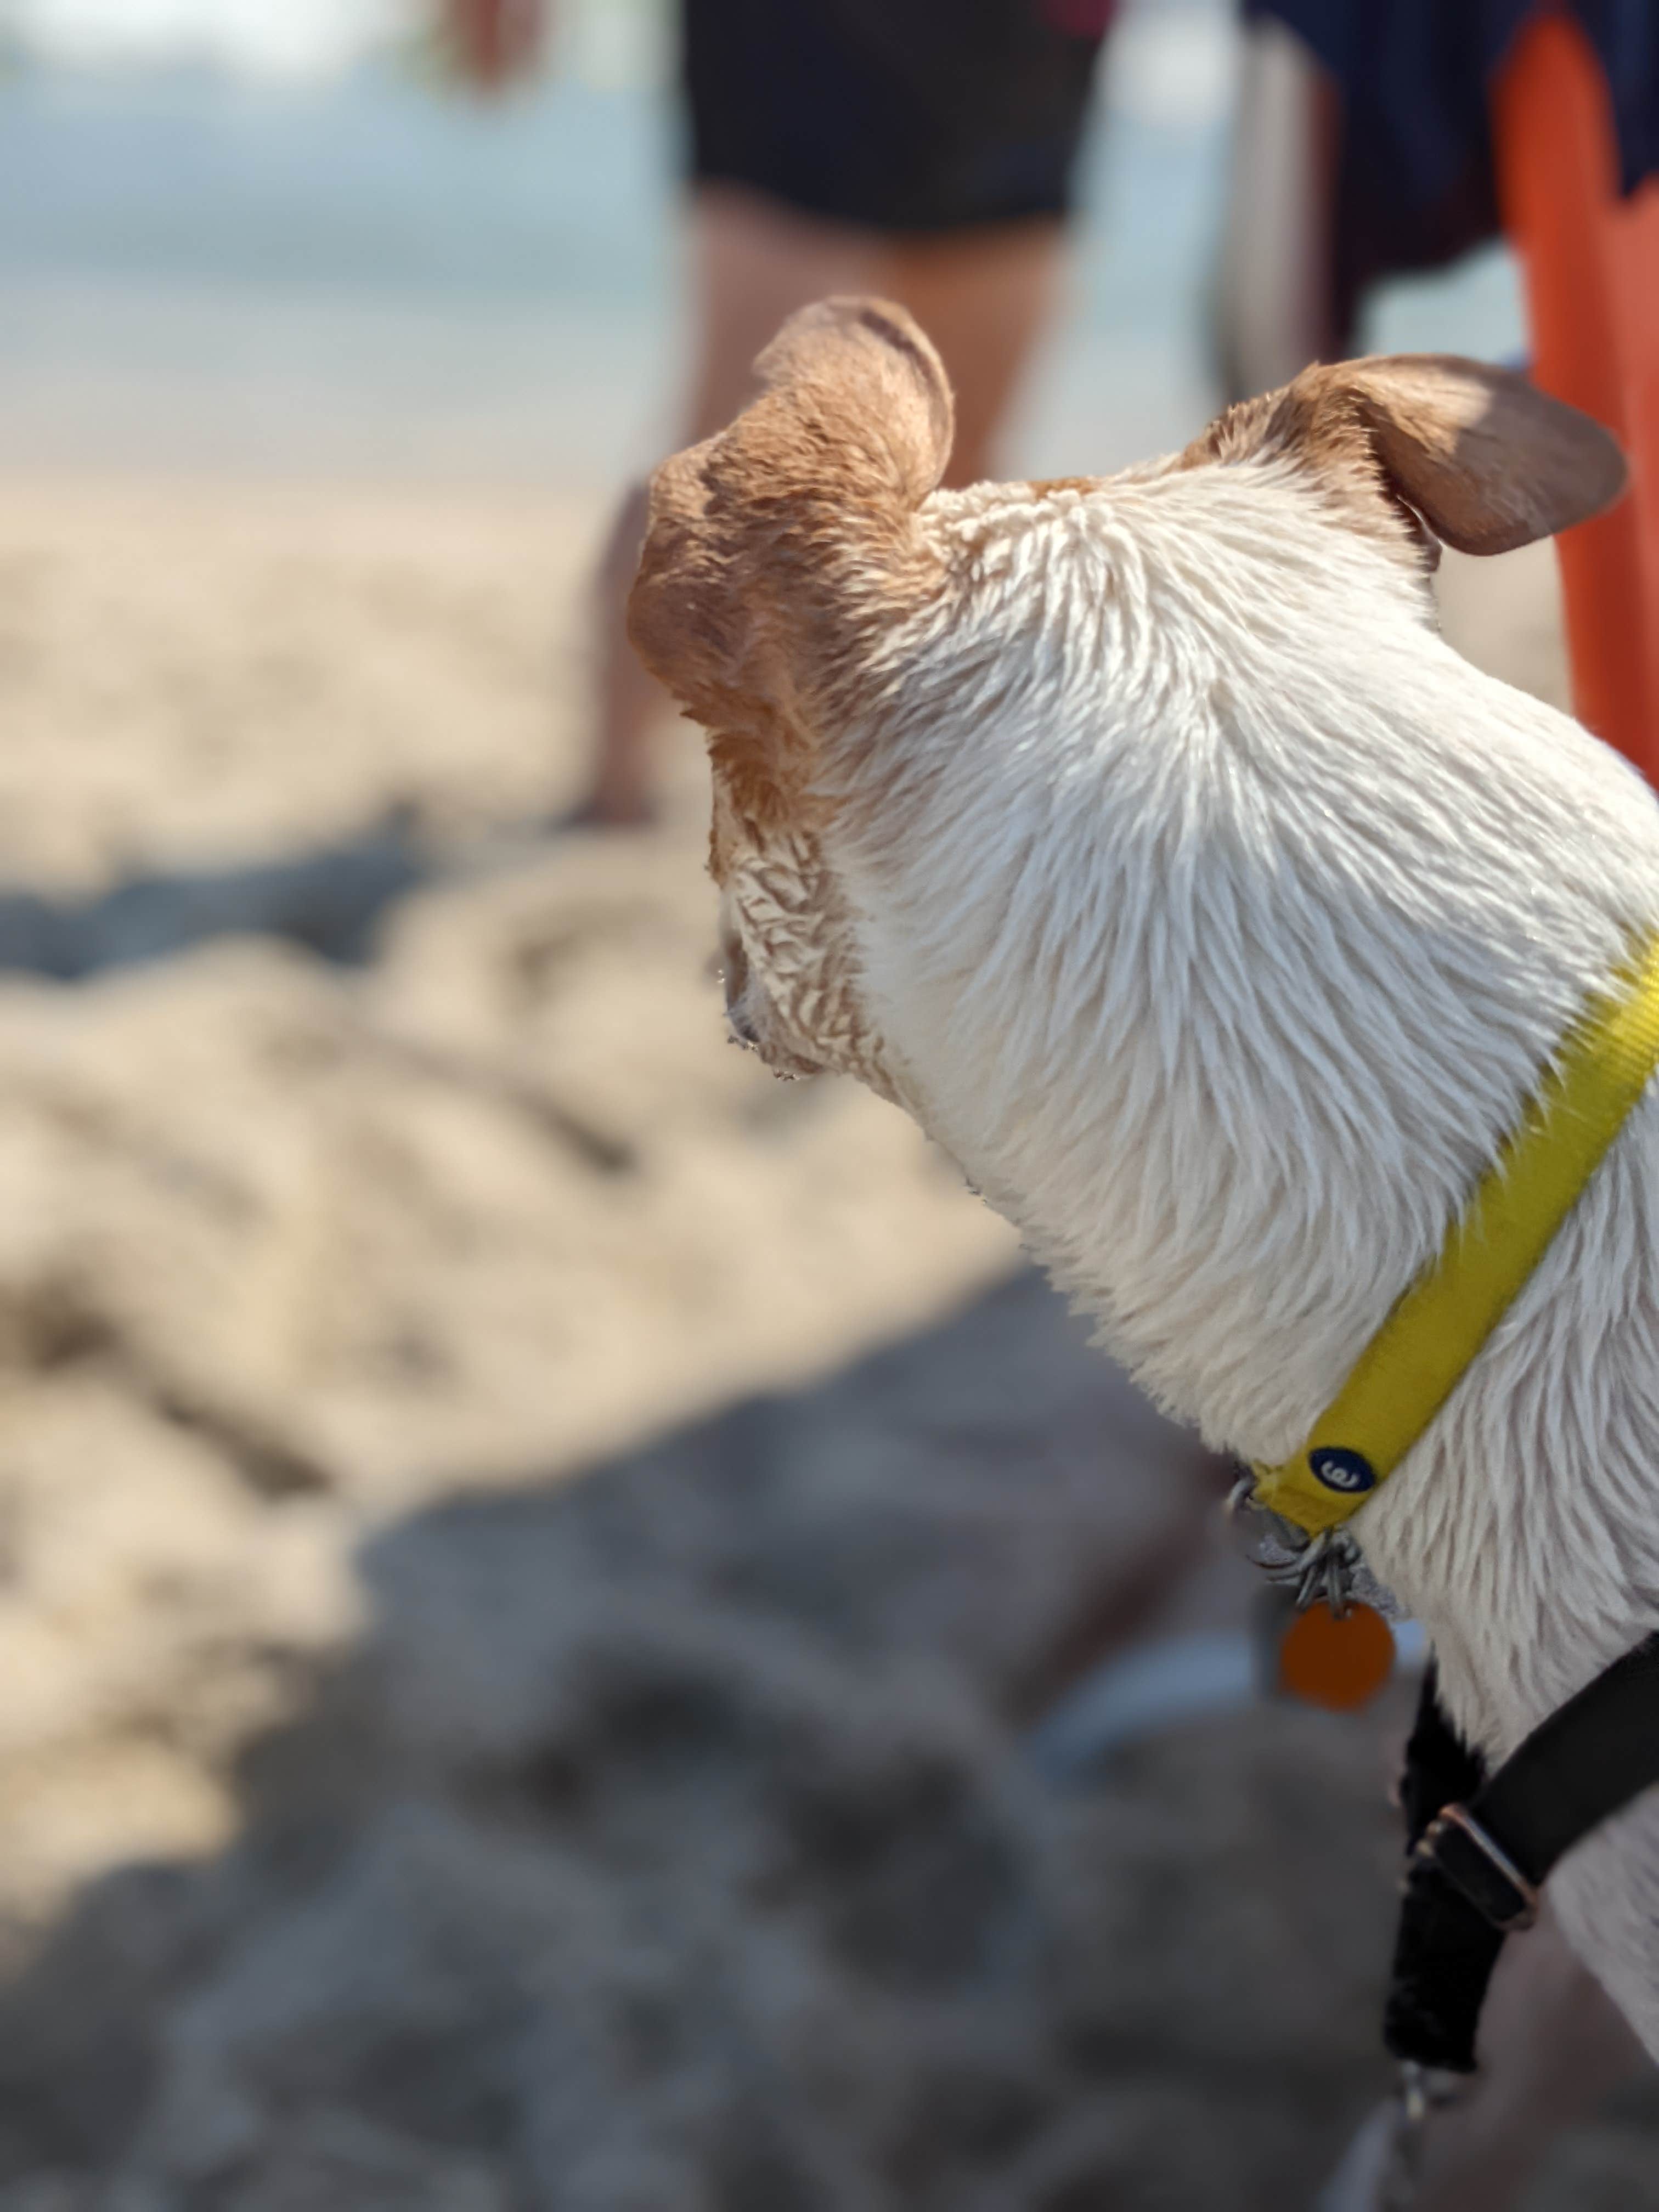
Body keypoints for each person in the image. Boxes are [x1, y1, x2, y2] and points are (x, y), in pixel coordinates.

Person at [445, 0, 1116, 824]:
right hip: (796, 40)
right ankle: (612, 791)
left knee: (954, 462)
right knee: (731, 449)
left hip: (1023, 51)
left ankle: (908, 800)